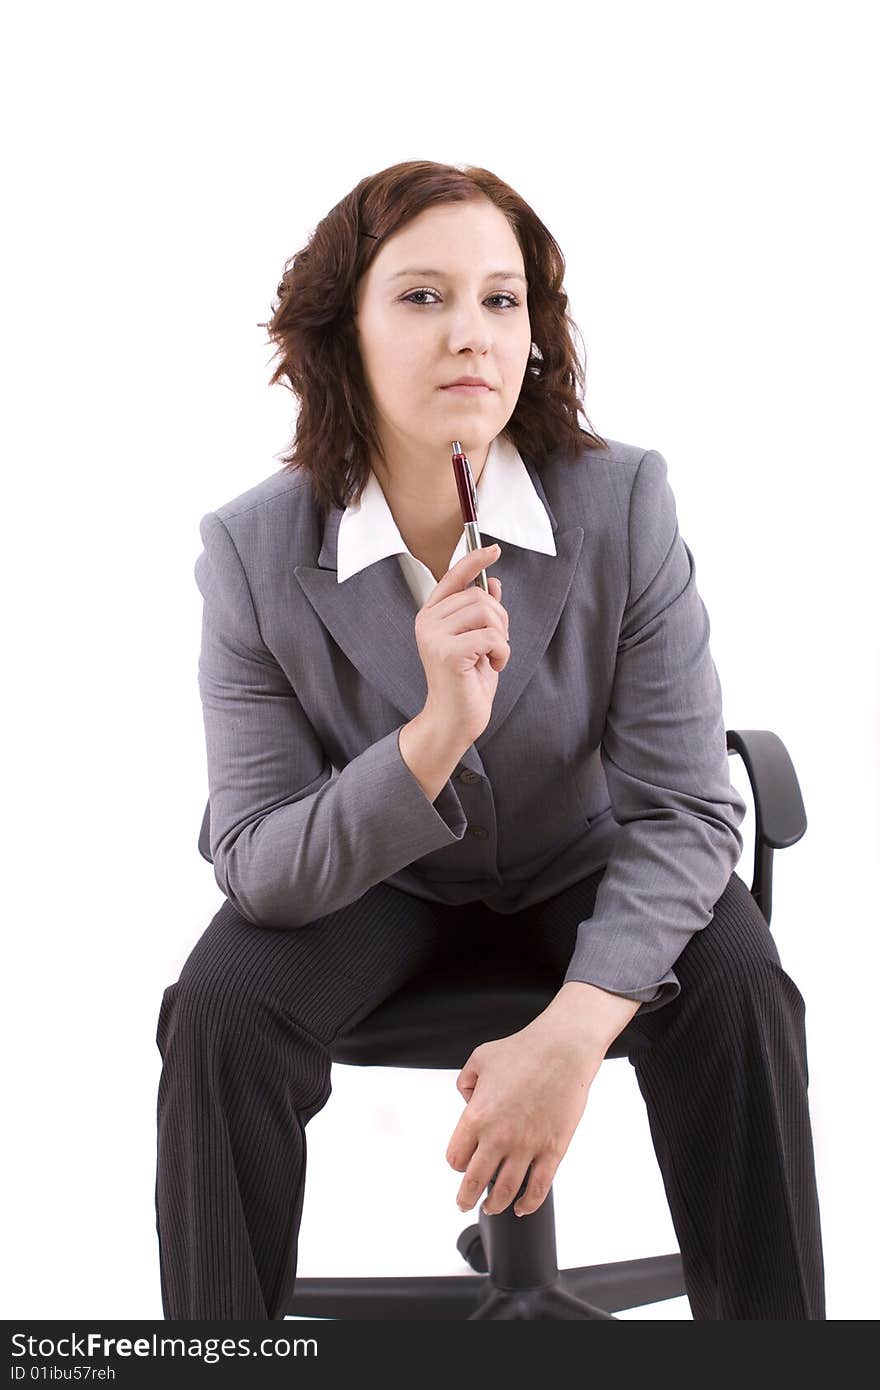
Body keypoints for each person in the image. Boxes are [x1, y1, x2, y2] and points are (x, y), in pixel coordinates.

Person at [154, 159, 826, 1321]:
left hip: (587, 859)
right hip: (379, 880)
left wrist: (569, 1036)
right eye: (421, 296)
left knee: (738, 984)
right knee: (219, 1008)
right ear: (340, 334)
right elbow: (260, 860)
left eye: (501, 300)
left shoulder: (622, 503)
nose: (471, 331)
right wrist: (430, 735)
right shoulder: (253, 552)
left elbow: (684, 810)